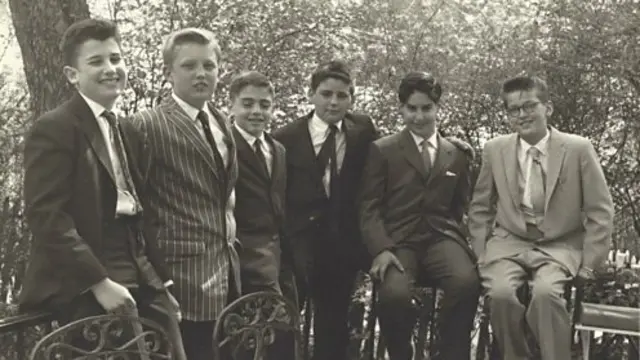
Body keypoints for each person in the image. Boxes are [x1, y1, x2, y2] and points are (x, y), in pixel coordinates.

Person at [20, 18, 185, 358]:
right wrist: (98, 282)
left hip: (139, 266)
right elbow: (46, 216)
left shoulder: (126, 129)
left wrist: (163, 282)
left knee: (170, 349)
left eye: (115, 58)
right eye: (96, 61)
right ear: (71, 75)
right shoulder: (55, 128)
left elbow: (142, 211)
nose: (111, 69)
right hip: (88, 272)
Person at [468, 75, 615, 360]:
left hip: (559, 244)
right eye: (514, 109)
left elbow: (600, 209)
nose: (522, 115)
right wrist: (481, 251)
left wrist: (589, 262)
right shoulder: (495, 149)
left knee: (546, 295)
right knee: (499, 295)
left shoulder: (578, 149)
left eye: (529, 106)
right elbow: (481, 205)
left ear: (547, 108)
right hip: (509, 242)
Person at [126, 28, 238, 360]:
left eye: (209, 65)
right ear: (169, 72)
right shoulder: (145, 125)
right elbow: (136, 212)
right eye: (189, 66)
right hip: (178, 280)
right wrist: (155, 281)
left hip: (226, 275)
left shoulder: (221, 122)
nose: (201, 74)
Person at [359, 71, 480, 360]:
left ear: (438, 108)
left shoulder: (457, 153)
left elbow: (460, 205)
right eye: (412, 108)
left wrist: (458, 241)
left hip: (441, 236)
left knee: (466, 282)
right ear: (401, 109)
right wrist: (381, 249)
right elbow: (368, 206)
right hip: (398, 241)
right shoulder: (383, 150)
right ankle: (403, 352)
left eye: (427, 108)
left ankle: (448, 352)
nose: (419, 116)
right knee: (395, 295)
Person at [273, 60, 378, 360]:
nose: (333, 101)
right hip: (297, 247)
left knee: (332, 327)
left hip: (340, 246)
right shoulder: (285, 138)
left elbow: (390, 156)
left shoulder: (362, 130)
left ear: (351, 98)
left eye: (342, 95)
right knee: (285, 323)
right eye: (326, 93)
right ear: (311, 95)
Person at [229, 71, 293, 297]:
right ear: (232, 105)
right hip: (241, 253)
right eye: (247, 104)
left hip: (276, 253)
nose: (256, 111)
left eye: (264, 105)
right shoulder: (224, 146)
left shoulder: (278, 150)